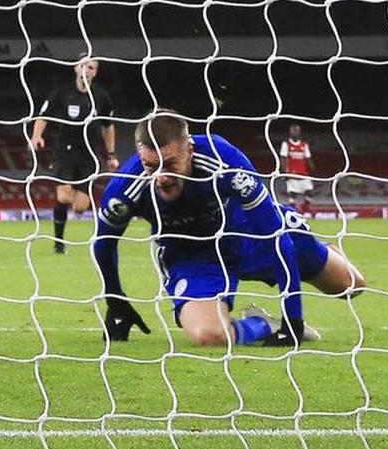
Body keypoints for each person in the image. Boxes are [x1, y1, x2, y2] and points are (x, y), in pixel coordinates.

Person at [92, 110, 366, 347]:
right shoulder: (125, 188)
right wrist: (116, 302)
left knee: (352, 286)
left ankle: (325, 251)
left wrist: (293, 319)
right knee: (209, 336)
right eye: (151, 166)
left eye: (171, 164)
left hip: (248, 234)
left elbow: (274, 236)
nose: (162, 178)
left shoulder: (224, 160)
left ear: (189, 150)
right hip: (193, 258)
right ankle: (262, 323)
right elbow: (103, 245)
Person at [30, 55, 118, 254]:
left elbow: (108, 127)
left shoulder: (101, 97)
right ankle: (58, 243)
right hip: (65, 151)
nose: (87, 70)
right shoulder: (62, 93)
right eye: (83, 66)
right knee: (63, 196)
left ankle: (68, 214)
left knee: (80, 207)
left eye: (91, 67)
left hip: (89, 154)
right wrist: (37, 136)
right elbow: (43, 116)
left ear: (95, 73)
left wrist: (111, 155)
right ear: (76, 69)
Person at [279, 123, 315, 214]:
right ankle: (294, 213)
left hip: (303, 173)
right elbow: (283, 158)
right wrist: (284, 172)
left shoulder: (304, 144)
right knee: (292, 194)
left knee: (309, 192)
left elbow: (308, 158)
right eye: (293, 130)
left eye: (297, 130)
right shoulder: (286, 144)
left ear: (299, 132)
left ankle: (302, 212)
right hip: (292, 174)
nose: (295, 132)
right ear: (290, 132)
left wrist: (312, 168)